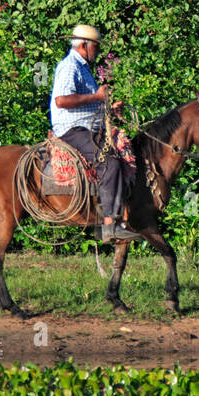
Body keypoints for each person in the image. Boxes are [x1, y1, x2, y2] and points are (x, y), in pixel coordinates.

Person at [49, 24, 134, 242]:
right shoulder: (69, 66)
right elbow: (62, 100)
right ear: (85, 45)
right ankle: (109, 226)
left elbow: (86, 103)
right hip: (73, 130)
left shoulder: (84, 68)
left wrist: (108, 108)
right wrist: (97, 98)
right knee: (110, 164)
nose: (98, 51)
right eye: (96, 46)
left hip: (88, 128)